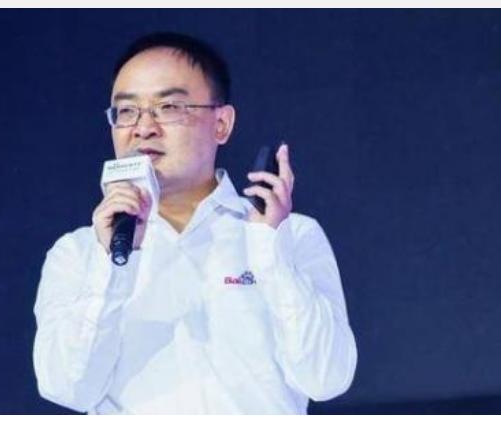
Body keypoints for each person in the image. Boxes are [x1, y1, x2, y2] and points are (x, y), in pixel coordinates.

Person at [33, 32, 357, 414]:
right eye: (126, 111)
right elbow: (67, 389)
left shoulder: (292, 235)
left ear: (221, 124)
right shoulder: (79, 252)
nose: (143, 127)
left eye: (169, 107)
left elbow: (327, 378)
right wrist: (114, 263)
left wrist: (272, 254)